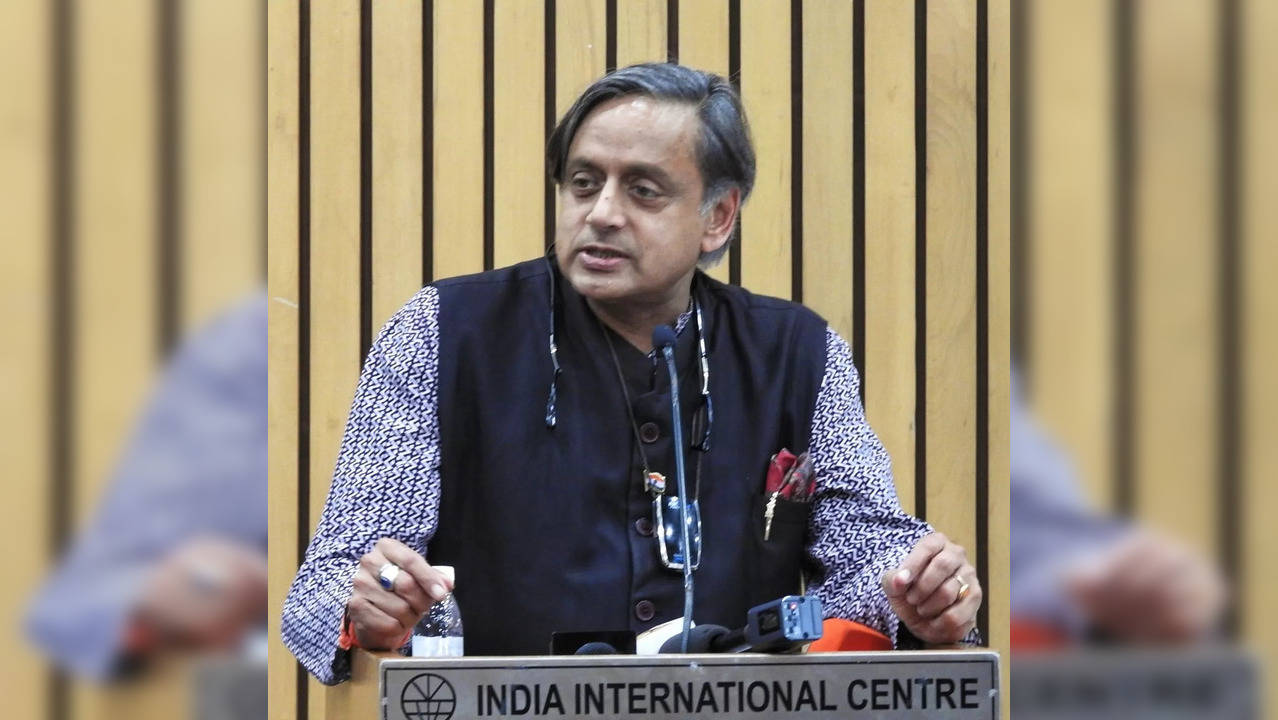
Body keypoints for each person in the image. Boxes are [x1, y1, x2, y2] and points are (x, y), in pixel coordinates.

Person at [283, 63, 982, 685]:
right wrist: (370, 607)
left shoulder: (796, 351)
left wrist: (921, 595)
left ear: (718, 217)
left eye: (643, 191)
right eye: (583, 183)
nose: (601, 213)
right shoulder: (445, 332)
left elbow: (869, 554)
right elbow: (329, 582)